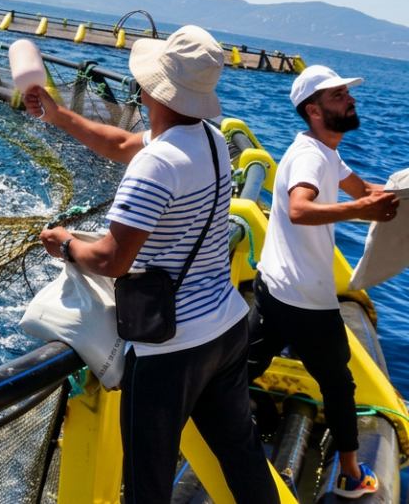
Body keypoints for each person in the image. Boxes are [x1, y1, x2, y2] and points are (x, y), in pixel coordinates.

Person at [23, 26, 279, 504]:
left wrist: (65, 243)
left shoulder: (158, 164)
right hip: (225, 328)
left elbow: (112, 260)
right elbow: (122, 144)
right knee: (243, 457)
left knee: (147, 484)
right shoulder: (210, 140)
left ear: (152, 89)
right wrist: (58, 115)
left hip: (170, 350)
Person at [247, 65, 399, 499]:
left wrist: (395, 196)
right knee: (338, 385)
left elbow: (362, 189)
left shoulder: (324, 151)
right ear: (313, 111)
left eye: (347, 93)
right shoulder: (311, 157)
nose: (351, 100)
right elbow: (300, 208)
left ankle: (196, 419)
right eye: (338, 96)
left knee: (244, 367)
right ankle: (351, 475)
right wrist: (361, 212)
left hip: (273, 284)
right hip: (304, 300)